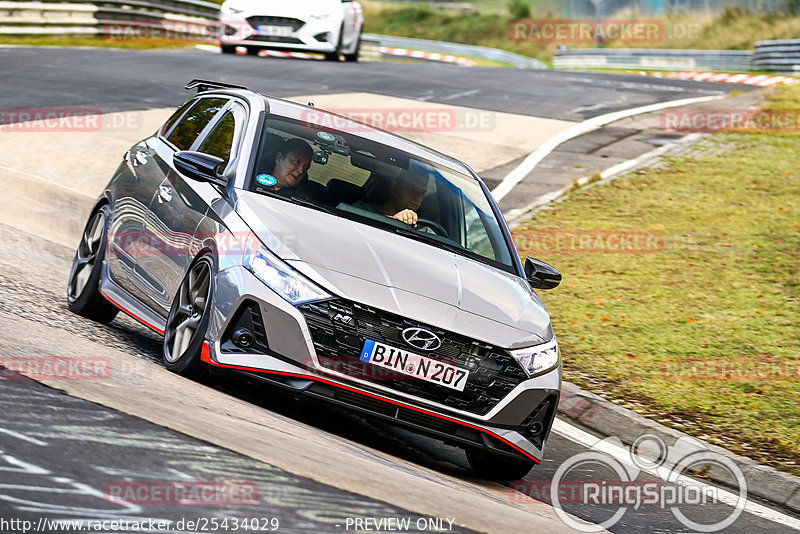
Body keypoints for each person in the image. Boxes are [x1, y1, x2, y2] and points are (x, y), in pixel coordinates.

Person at [354, 169, 428, 227]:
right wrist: (394, 220)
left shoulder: (424, 231)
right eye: (412, 189)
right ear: (393, 187)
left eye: (422, 193)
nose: (417, 196)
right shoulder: (362, 210)